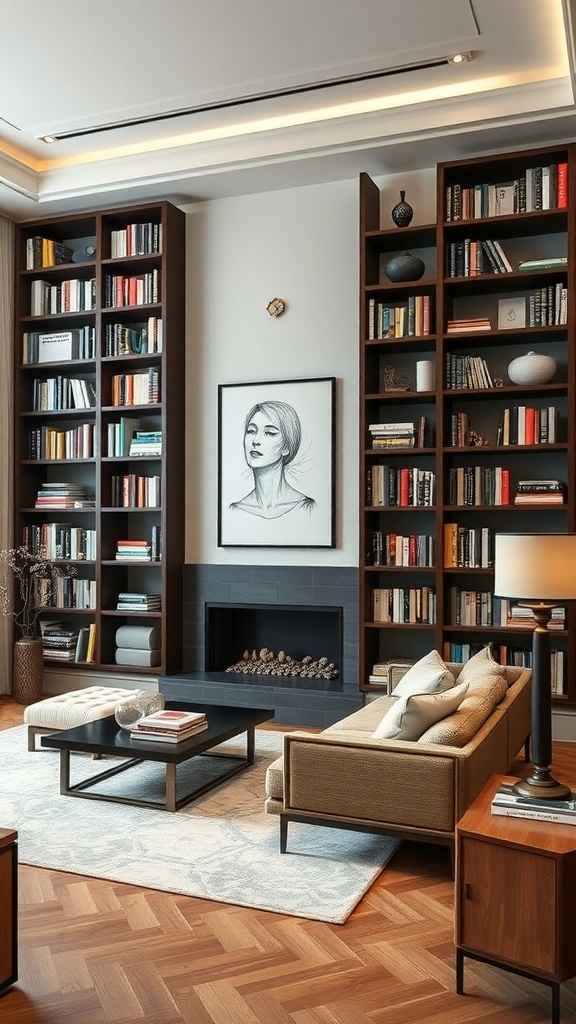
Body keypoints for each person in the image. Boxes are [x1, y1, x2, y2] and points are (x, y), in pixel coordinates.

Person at [230, 400, 316, 520]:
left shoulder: (306, 508)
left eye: (269, 433)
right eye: (251, 431)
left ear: (286, 446)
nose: (255, 440)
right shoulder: (235, 510)